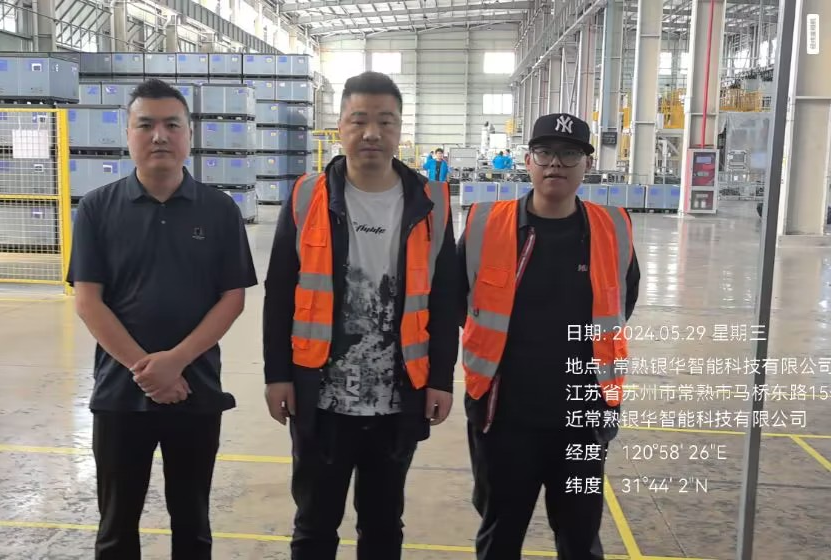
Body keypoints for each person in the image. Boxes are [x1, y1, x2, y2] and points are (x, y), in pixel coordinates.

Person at [262, 71, 460, 560]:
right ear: (340, 126)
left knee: (383, 525)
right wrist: (277, 375)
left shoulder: (432, 203)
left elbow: (444, 299)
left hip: (399, 397)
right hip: (320, 396)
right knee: (314, 524)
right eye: (359, 120)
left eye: (385, 121)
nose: (372, 132)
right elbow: (280, 292)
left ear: (400, 130)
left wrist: (441, 379)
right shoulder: (307, 196)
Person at [67, 78, 258, 560]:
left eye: (172, 125)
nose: (159, 136)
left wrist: (176, 362)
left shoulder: (219, 210)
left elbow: (232, 298)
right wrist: (148, 370)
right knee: (116, 526)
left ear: (189, 135)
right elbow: (88, 301)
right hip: (119, 394)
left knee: (193, 523)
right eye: (145, 125)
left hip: (196, 391)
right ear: (128, 134)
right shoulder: (97, 208)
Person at [458, 112, 641, 560]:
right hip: (503, 417)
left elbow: (623, 302)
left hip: (583, 417)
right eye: (544, 152)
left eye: (570, 153)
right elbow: (457, 300)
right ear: (528, 161)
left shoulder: (612, 228)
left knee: (580, 538)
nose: (555, 163)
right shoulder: (486, 224)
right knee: (500, 536)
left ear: (587, 164)